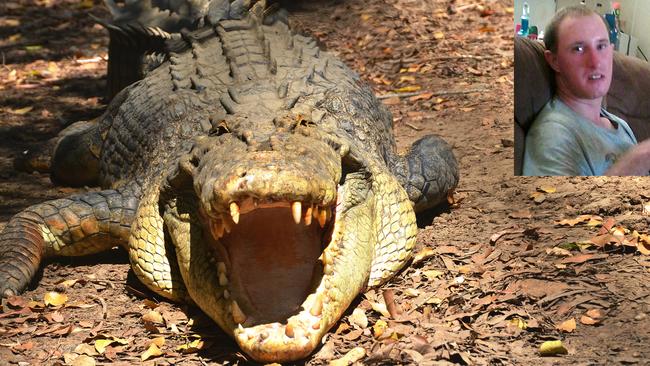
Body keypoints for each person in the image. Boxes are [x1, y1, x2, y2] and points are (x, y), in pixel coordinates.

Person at [522, 6, 650, 176]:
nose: (596, 62)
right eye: (578, 49)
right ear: (554, 61)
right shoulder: (553, 136)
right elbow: (555, 202)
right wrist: (637, 161)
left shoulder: (619, 124)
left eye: (601, 46)